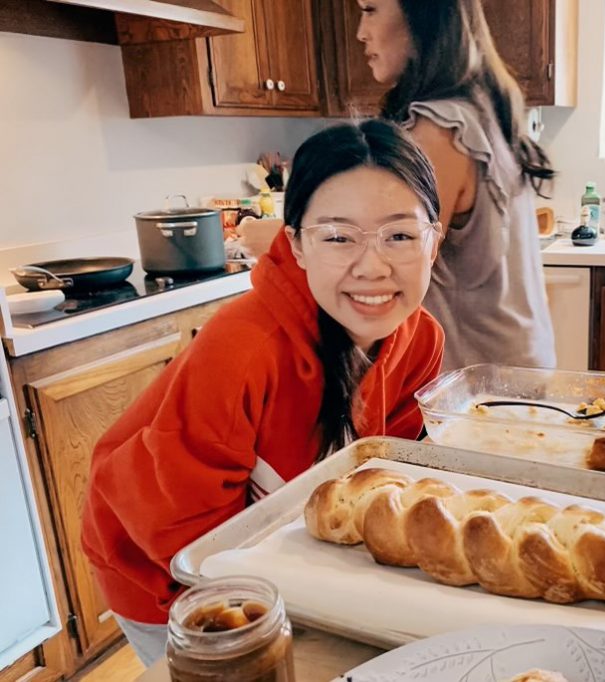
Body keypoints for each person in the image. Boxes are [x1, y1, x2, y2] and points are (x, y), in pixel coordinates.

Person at [81, 120, 444, 666]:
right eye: (339, 236)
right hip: (160, 568)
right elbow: (188, 542)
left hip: (271, 549)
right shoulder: (245, 350)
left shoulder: (422, 341)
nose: (373, 266)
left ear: (434, 241)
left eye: (399, 235)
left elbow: (377, 481)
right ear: (296, 244)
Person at [356, 0, 557, 370]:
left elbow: (388, 264)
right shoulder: (484, 107)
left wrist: (298, 236)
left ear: (424, 16)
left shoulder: (438, 129)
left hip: (479, 389)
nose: (360, 32)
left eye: (370, 9)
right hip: (515, 367)